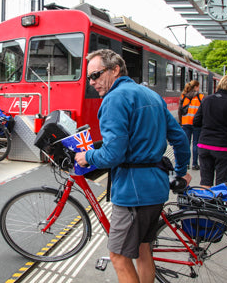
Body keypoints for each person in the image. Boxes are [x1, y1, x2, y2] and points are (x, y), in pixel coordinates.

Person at [74, 49, 191, 283]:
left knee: (118, 256)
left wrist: (88, 156)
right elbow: (179, 138)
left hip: (132, 193)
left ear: (115, 69)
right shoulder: (151, 95)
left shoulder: (114, 99)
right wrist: (181, 173)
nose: (92, 82)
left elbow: (112, 155)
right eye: (89, 77)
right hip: (156, 187)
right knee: (144, 248)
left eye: (96, 75)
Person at [193, 74, 227, 187]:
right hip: (223, 147)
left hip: (204, 146)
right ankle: (218, 204)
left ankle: (205, 204)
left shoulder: (207, 100)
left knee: (205, 182)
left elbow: (196, 121)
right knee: (222, 183)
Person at [179, 80, 203, 170]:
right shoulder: (200, 96)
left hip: (186, 122)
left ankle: (186, 164)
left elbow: (180, 110)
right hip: (197, 123)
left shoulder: (183, 96)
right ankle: (194, 164)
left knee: (186, 143)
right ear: (196, 87)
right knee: (196, 143)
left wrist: (181, 122)